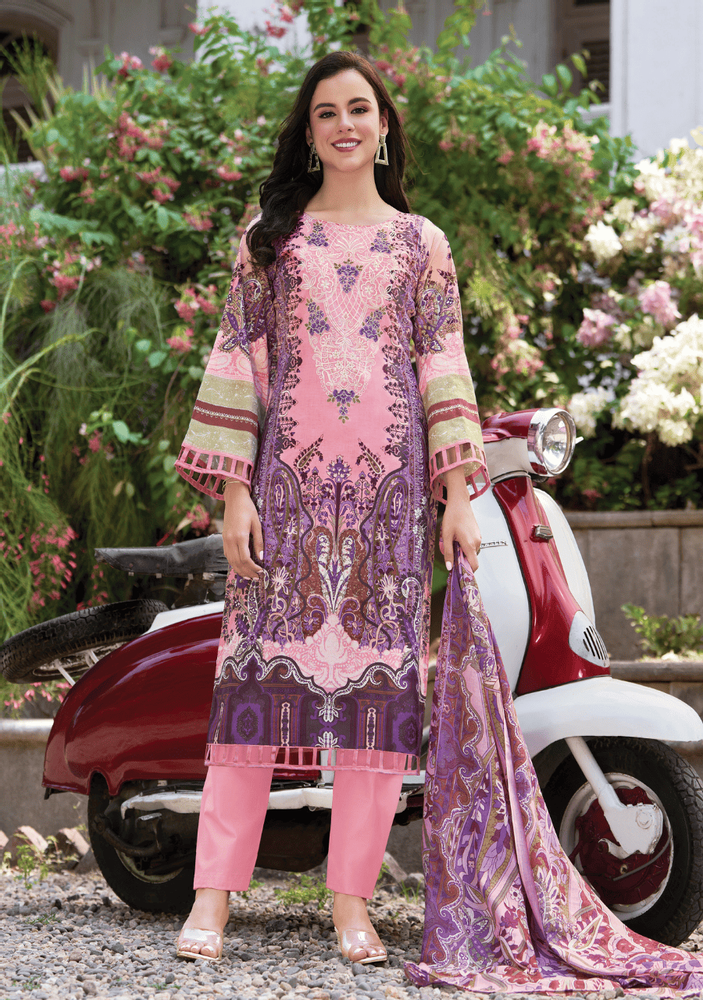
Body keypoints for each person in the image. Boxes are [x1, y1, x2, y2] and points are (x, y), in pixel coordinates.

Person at [173, 50, 487, 965]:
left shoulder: (421, 244)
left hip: (387, 509)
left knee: (377, 708)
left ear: (383, 125)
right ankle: (210, 899)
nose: (345, 124)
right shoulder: (272, 239)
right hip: (285, 500)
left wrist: (456, 497)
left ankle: (351, 902)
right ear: (308, 135)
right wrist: (235, 494)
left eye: (359, 109)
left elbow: (443, 365)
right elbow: (238, 360)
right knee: (249, 695)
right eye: (326, 113)